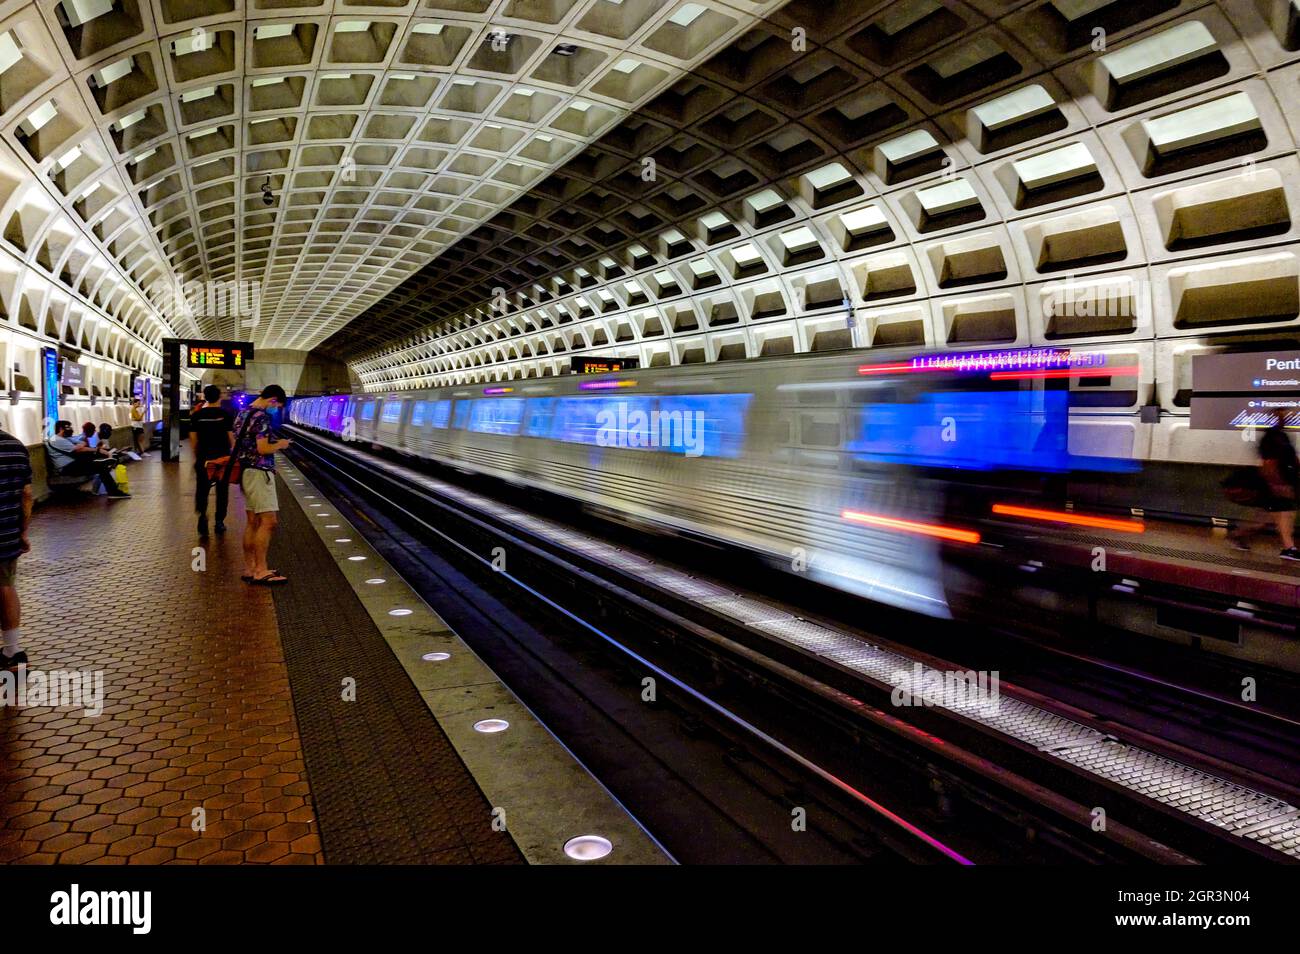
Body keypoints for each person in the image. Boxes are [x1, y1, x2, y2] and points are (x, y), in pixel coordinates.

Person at [233, 385, 291, 584]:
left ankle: (251, 568)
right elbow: (263, 448)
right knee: (268, 522)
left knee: (252, 522)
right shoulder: (262, 417)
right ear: (273, 399)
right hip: (259, 473)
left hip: (246, 471)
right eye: (278, 405)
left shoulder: (242, 414)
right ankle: (261, 570)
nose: (276, 409)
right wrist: (281, 445)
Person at [1229, 420, 1299, 561]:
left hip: (1281, 483)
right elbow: (1268, 464)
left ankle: (1238, 535)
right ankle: (1288, 548)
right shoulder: (1271, 439)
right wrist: (1276, 484)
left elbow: (1292, 458)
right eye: (1280, 415)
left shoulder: (1282, 437)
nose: (1284, 417)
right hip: (1276, 484)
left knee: (1264, 518)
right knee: (1283, 514)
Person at [0, 425, 31, 669]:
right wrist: (23, 531)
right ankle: (12, 650)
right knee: (6, 587)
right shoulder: (16, 447)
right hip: (8, 533)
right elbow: (27, 495)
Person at [190, 385, 233, 537]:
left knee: (202, 489)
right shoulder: (226, 415)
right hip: (222, 459)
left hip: (204, 459)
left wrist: (198, 455)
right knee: (222, 491)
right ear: (219, 396)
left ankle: (202, 517)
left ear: (204, 397)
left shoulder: (196, 416)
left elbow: (193, 440)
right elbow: (231, 438)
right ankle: (219, 522)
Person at [46, 421, 129, 498]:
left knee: (100, 466)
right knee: (99, 465)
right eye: (68, 427)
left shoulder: (66, 438)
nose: (71, 429)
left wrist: (82, 445)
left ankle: (112, 489)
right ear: (61, 429)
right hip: (67, 467)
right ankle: (113, 491)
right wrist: (96, 450)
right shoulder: (55, 439)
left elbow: (82, 443)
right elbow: (78, 449)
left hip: (74, 463)